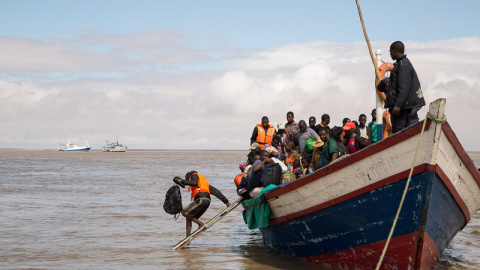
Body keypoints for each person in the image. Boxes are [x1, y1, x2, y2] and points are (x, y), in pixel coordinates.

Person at [377, 41, 425, 134]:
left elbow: (404, 86)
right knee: (399, 131)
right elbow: (380, 88)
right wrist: (386, 81)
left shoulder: (403, 65)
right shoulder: (399, 65)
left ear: (395, 50)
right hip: (401, 108)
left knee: (400, 132)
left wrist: (398, 105)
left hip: (402, 109)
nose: (390, 54)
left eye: (390, 51)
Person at [175, 171, 231, 240]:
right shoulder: (204, 183)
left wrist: (182, 181)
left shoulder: (194, 175)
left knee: (184, 212)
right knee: (189, 216)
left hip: (201, 200)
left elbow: (194, 182)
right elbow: (216, 192)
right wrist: (226, 201)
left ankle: (201, 224)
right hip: (207, 201)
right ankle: (187, 238)